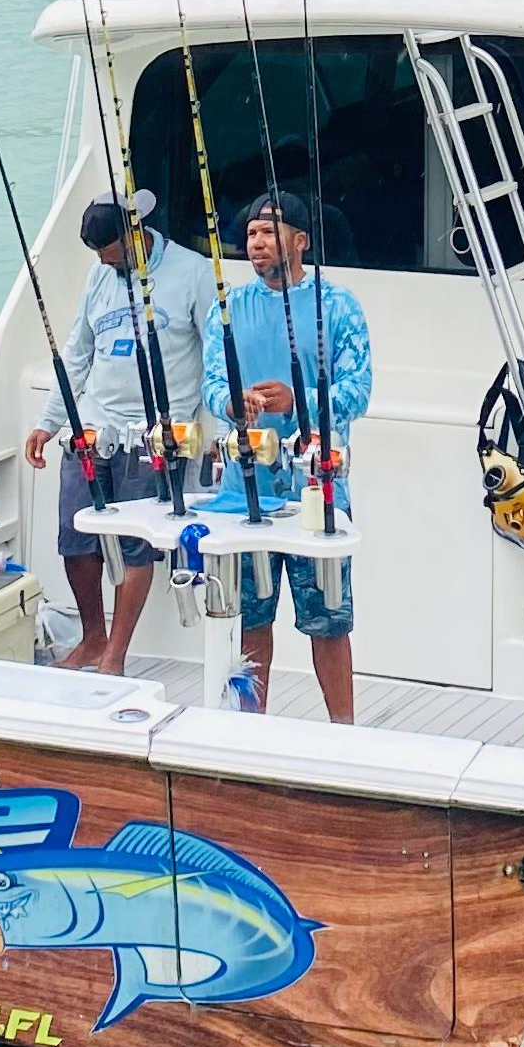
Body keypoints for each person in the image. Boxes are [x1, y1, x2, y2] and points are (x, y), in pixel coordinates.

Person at [202, 187, 373, 723]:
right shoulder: (228, 308)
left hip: (316, 492)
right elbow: (212, 383)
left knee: (330, 622)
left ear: (300, 241)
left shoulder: (338, 306)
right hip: (245, 494)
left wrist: (299, 401)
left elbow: (358, 391)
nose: (255, 242)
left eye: (268, 232)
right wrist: (232, 403)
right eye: (251, 233)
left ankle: (344, 731)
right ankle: (252, 730)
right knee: (251, 622)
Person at [24, 190, 208, 673]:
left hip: (153, 438)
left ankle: (115, 656)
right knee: (75, 537)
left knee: (135, 545)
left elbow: (214, 356)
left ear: (135, 233)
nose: (104, 261)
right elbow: (77, 353)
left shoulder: (193, 272)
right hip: (91, 428)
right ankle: (92, 639)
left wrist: (218, 430)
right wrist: (48, 421)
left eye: (110, 250)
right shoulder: (100, 275)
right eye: (98, 254)